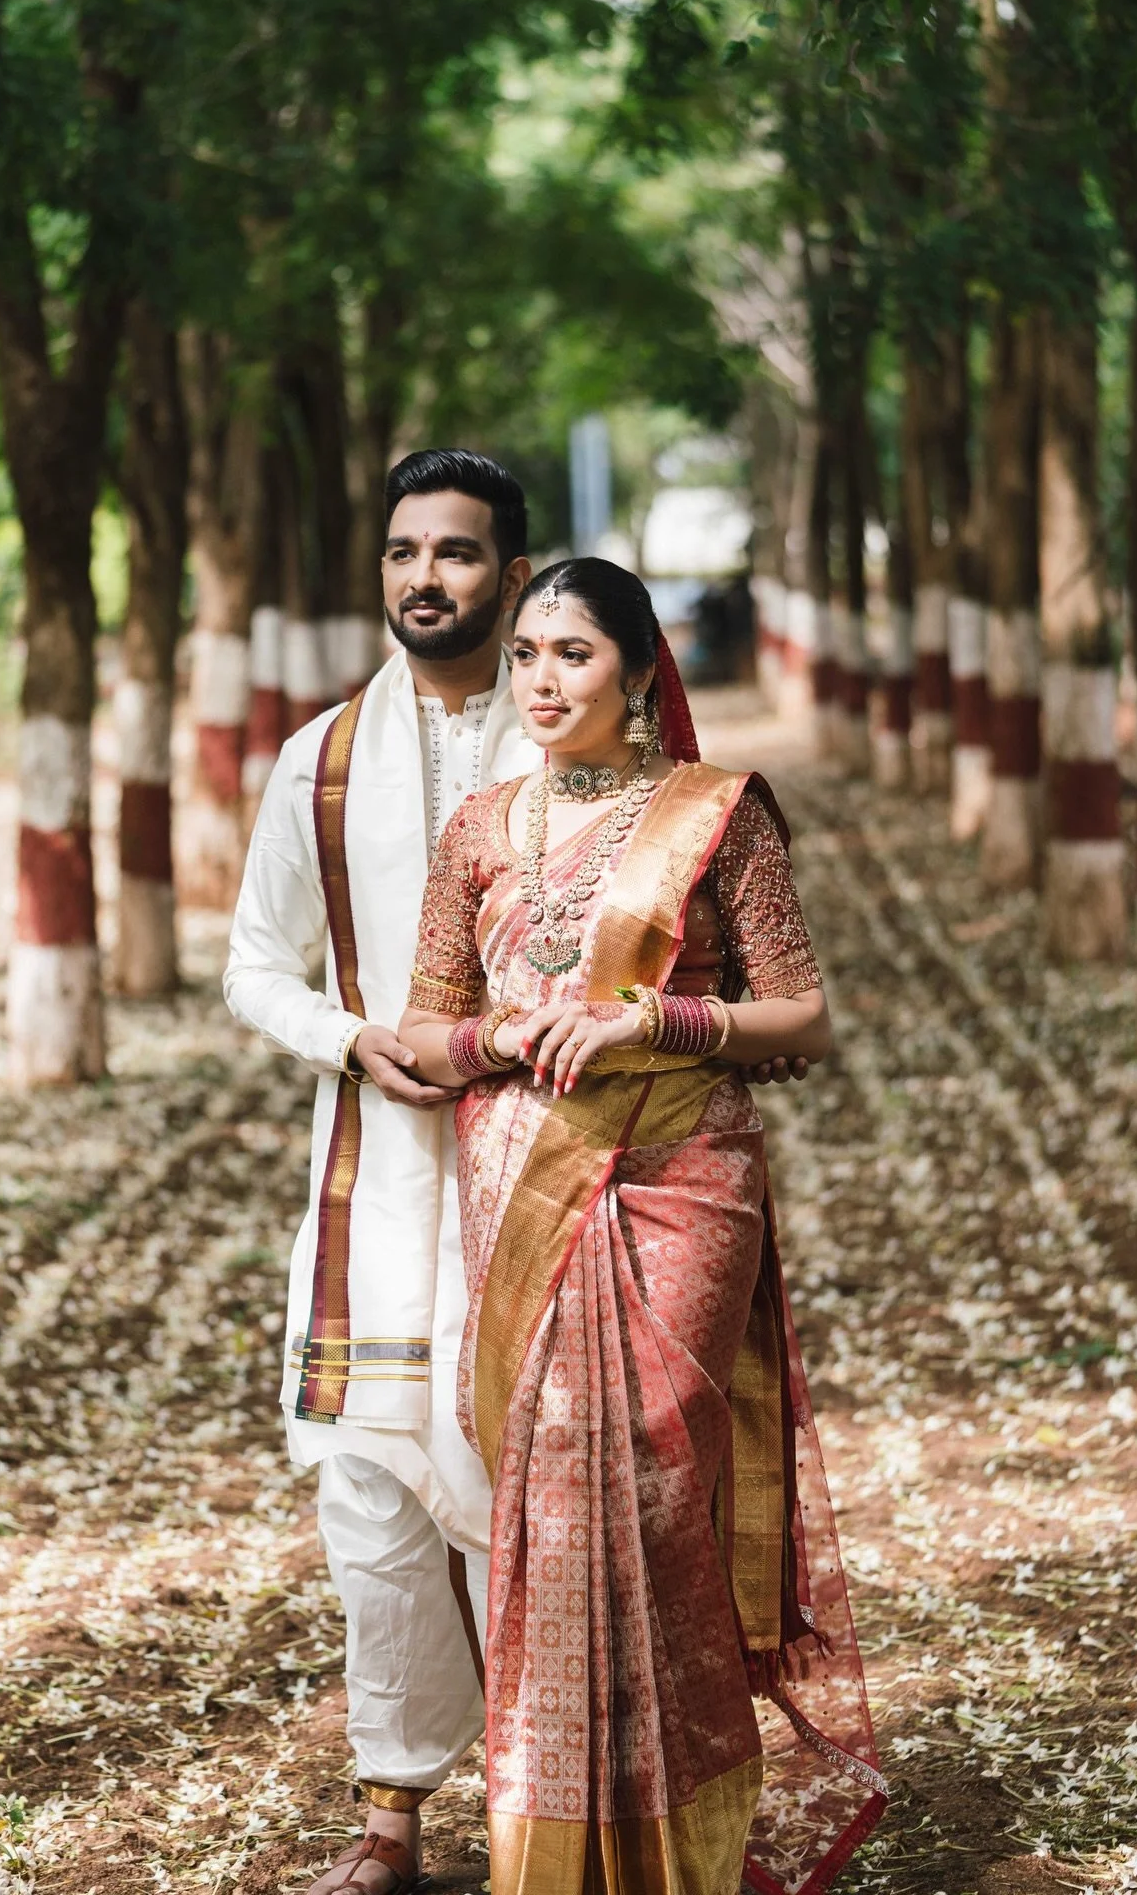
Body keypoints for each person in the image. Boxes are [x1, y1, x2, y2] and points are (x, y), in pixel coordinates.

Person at [399, 558, 886, 1895]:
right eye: (525, 658)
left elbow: (805, 1015)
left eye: (575, 657)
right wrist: (506, 1033)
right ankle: (550, 1846)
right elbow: (422, 1030)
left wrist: (649, 1019)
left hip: (682, 1174)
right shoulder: (481, 830)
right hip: (526, 1176)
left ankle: (684, 1851)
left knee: (662, 1499)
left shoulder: (714, 818)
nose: (544, 683)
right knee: (544, 1511)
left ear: (638, 669)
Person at [225, 449, 538, 1895]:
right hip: (377, 1165)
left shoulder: (580, 746)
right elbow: (252, 969)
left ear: (513, 574)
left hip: (547, 1164)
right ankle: (394, 1818)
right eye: (407, 553)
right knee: (372, 1488)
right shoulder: (322, 759)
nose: (427, 578)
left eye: (458, 554)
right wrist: (356, 1040)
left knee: (531, 1481)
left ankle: (553, 1811)